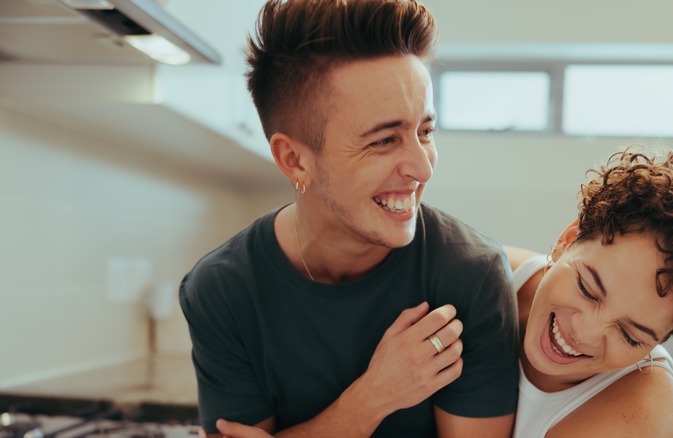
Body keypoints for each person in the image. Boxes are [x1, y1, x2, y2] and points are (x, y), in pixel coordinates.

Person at [178, 0, 519, 437]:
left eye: (425, 132)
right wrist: (371, 399)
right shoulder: (223, 290)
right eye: (383, 140)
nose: (423, 167)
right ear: (295, 160)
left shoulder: (469, 278)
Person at [503, 147, 673, 437]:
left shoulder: (641, 418)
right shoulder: (487, 276)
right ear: (567, 240)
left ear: (663, 337)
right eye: (587, 289)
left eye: (629, 335)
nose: (584, 333)